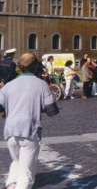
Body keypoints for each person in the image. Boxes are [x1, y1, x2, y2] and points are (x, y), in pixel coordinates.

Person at [0, 52, 59, 188]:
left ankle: (11, 185)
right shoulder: (41, 85)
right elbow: (52, 111)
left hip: (10, 131)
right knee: (26, 171)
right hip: (29, 131)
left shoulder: (9, 85)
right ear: (35, 66)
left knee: (16, 161)